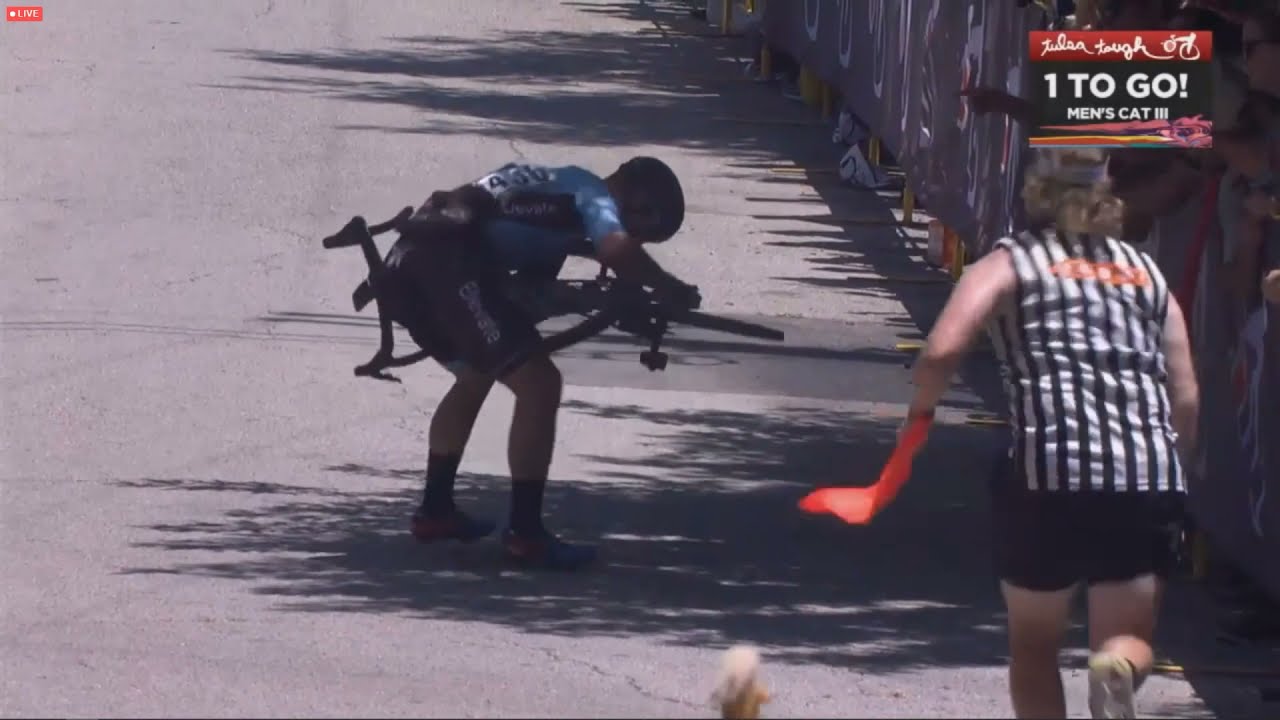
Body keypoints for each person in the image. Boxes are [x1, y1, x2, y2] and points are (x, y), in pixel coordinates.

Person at [903, 148, 1200, 718]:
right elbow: (1184, 392)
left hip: (1049, 472)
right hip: (1144, 474)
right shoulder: (1145, 272)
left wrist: (919, 415)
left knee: (1035, 645)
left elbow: (940, 353)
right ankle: (1117, 667)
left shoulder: (1009, 262)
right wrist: (1174, 472)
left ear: (1034, 194)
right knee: (1127, 637)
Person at [389, 157, 697, 571]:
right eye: (642, 233)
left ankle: (436, 511)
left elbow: (530, 291)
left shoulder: (557, 190)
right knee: (540, 385)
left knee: (477, 374)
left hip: (409, 261)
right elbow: (616, 251)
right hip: (442, 264)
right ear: (637, 203)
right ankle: (526, 534)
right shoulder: (592, 194)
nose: (636, 240)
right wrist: (668, 286)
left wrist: (624, 307)